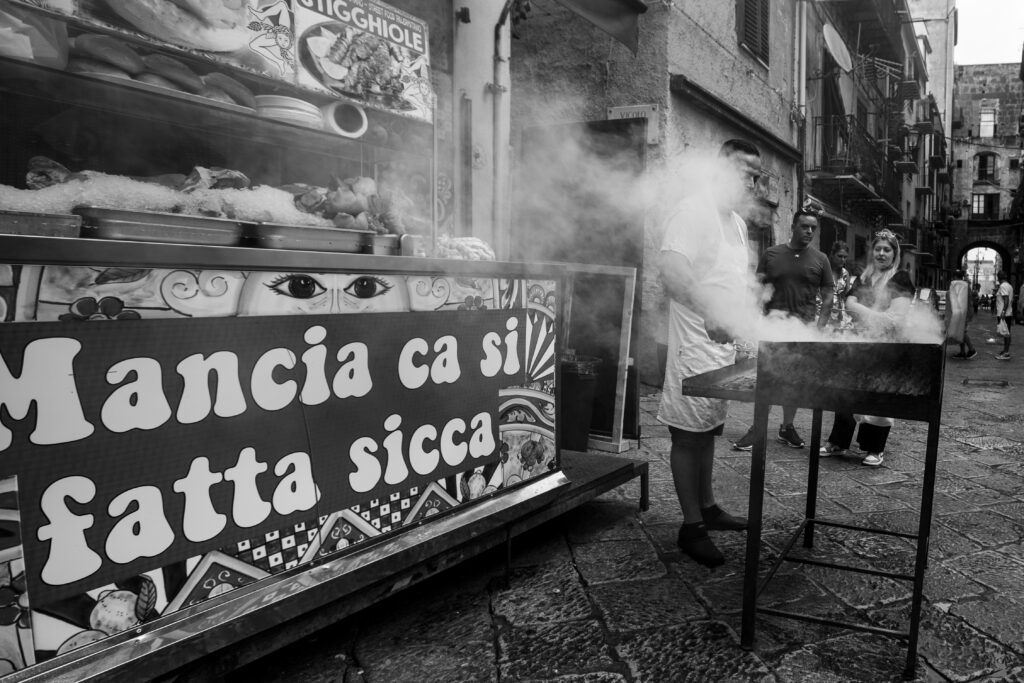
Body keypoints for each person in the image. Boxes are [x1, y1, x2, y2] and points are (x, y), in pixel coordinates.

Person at [657, 139, 759, 567]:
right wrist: (710, 313)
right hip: (695, 342)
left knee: (709, 428)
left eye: (755, 175)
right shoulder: (692, 210)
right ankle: (691, 526)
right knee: (687, 432)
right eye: (743, 172)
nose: (750, 181)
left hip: (722, 346)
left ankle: (709, 506)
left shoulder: (736, 222)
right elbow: (672, 272)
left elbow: (735, 281)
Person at [731, 210, 834, 451]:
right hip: (771, 328)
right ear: (793, 226)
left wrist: (819, 329)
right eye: (805, 226)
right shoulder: (772, 254)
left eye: (813, 228)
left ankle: (787, 427)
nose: (809, 231)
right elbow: (757, 289)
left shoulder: (821, 259)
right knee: (767, 379)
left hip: (803, 331)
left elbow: (828, 297)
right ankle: (757, 428)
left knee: (794, 382)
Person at [819, 230, 914, 467]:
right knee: (846, 390)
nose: (881, 253)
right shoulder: (863, 278)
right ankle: (838, 442)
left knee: (879, 396)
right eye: (878, 249)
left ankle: (874, 448)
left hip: (885, 347)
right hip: (859, 342)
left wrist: (859, 309)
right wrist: (866, 312)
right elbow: (848, 305)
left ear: (895, 253)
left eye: (887, 249)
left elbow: (894, 320)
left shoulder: (900, 279)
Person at [817, 241, 853, 332]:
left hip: (838, 316)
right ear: (832, 255)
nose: (842, 259)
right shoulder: (822, 271)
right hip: (821, 314)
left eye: (845, 257)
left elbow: (846, 297)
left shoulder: (845, 273)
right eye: (840, 256)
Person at [948, 270, 977, 359]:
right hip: (966, 310)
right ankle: (962, 352)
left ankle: (972, 349)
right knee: (960, 331)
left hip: (959, 311)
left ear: (955, 276)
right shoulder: (966, 285)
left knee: (962, 331)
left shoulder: (954, 284)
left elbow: (952, 297)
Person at [995, 271, 1013, 360]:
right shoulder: (1009, 285)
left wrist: (1003, 312)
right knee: (1006, 332)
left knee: (1006, 333)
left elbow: (1006, 300)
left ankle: (1006, 353)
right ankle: (1005, 350)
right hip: (1007, 313)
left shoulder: (1003, 286)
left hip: (1004, 314)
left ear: (999, 277)